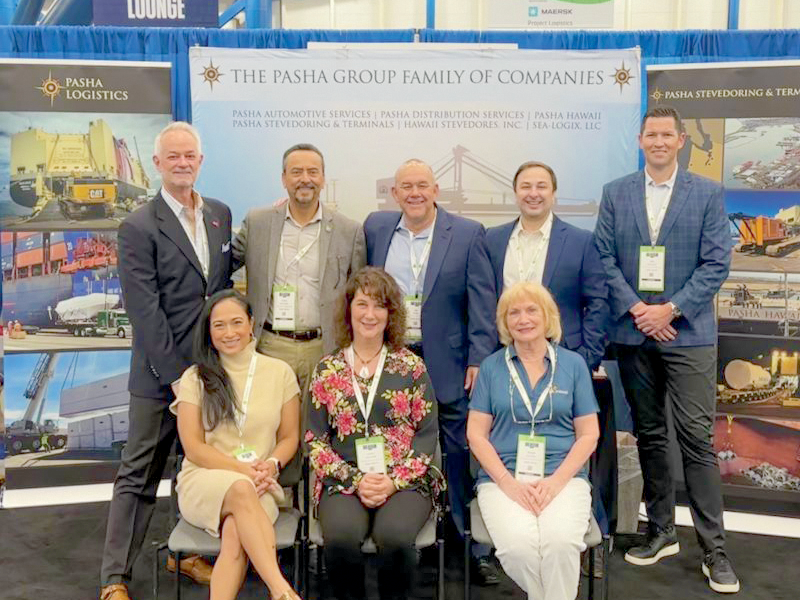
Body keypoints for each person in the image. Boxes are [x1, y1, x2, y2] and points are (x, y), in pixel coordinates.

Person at [594, 105, 739, 593]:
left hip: (687, 334)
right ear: (640, 140)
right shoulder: (616, 193)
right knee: (650, 434)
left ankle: (714, 550)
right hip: (634, 332)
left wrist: (670, 310)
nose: (658, 142)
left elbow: (716, 263)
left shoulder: (708, 193)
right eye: (650, 134)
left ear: (680, 140)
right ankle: (661, 531)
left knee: (696, 440)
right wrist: (640, 310)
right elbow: (604, 256)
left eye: (666, 135)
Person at [100, 122, 233, 600]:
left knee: (194, 469)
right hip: (160, 376)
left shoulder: (219, 214)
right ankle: (114, 578)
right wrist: (177, 377)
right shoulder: (137, 226)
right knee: (139, 475)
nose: (182, 163)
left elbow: (217, 284)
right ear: (157, 163)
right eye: (172, 156)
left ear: (200, 161)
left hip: (210, 370)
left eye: (189, 155)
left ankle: (186, 554)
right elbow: (145, 310)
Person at [363, 159, 499, 584]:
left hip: (449, 363)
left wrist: (478, 358)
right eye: (406, 186)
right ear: (394, 193)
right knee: (397, 451)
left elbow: (482, 300)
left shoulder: (467, 233)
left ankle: (471, 548)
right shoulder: (376, 228)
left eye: (422, 185)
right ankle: (409, 539)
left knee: (458, 455)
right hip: (392, 359)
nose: (415, 193)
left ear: (436, 190)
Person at [485, 160, 614, 570]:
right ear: (515, 192)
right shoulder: (493, 240)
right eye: (526, 186)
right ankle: (504, 539)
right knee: (503, 445)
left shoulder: (580, 241)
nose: (533, 193)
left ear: (553, 193)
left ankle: (587, 542)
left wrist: (583, 361)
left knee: (577, 450)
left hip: (562, 362)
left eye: (542, 186)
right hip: (507, 363)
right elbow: (481, 300)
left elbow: (599, 303)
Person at [305, 267, 443, 600]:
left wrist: (393, 481)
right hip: (344, 479)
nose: (370, 314)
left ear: (391, 313)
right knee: (340, 539)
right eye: (362, 304)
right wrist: (355, 480)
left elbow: (427, 435)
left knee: (394, 538)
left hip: (404, 480)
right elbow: (315, 440)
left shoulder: (411, 367)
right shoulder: (327, 369)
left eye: (380, 305)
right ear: (348, 310)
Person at [467, 281, 599, 600]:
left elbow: (589, 434)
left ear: (548, 316)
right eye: (514, 313)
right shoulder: (491, 367)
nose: (523, 319)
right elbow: (476, 434)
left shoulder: (573, 365)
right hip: (503, 480)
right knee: (519, 548)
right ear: (504, 322)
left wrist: (555, 482)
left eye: (531, 310)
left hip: (563, 478)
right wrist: (508, 483)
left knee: (560, 544)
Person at [171, 289, 302, 600]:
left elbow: (289, 437)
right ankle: (282, 591)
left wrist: (271, 465)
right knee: (241, 489)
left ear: (251, 323)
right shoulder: (194, 378)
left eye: (236, 322)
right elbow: (193, 447)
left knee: (235, 532)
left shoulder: (280, 372)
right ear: (208, 331)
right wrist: (243, 471)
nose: (229, 333)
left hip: (261, 482)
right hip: (204, 479)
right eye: (219, 325)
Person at [232, 143, 366, 401]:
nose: (305, 179)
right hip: (269, 347)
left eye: (313, 172)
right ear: (284, 179)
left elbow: (359, 296)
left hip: (324, 349)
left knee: (318, 423)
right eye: (296, 172)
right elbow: (222, 269)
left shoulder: (348, 231)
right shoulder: (257, 222)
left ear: (323, 179)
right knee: (271, 421)